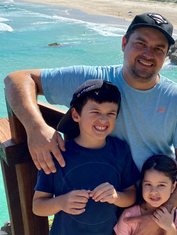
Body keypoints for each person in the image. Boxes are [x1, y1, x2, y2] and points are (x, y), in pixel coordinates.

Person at [4, 13, 177, 234]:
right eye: (140, 43)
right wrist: (36, 128)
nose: (148, 54)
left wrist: (161, 214)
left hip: (150, 205)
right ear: (124, 43)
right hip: (100, 212)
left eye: (158, 48)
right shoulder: (94, 82)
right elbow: (16, 80)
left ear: (166, 54)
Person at [33, 79, 140, 235]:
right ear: (76, 115)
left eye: (111, 113)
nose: (104, 119)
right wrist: (61, 202)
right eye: (95, 112)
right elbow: (37, 206)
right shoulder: (58, 154)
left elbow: (131, 195)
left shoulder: (120, 150)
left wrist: (116, 197)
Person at [114, 154, 177, 235]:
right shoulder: (129, 215)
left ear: (173, 187)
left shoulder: (176, 214)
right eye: (148, 184)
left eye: (161, 185)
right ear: (141, 184)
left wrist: (170, 228)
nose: (153, 192)